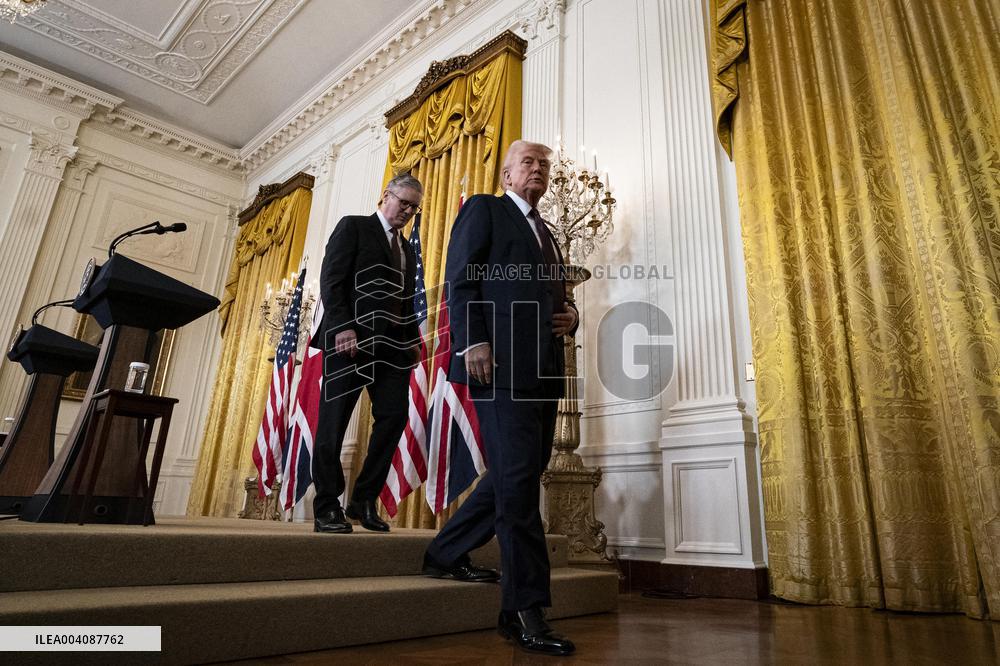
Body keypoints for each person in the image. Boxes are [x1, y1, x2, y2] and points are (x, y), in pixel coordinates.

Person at [422, 141, 578, 656]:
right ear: (507, 175)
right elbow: (461, 278)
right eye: (527, 162)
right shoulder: (485, 209)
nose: (538, 169)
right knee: (517, 487)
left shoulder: (547, 232)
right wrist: (473, 341)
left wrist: (572, 316)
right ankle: (523, 610)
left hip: (543, 370)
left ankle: (444, 552)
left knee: (518, 474)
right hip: (497, 365)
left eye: (544, 164)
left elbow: (559, 297)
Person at [312, 174, 422, 534]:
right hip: (350, 343)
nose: (407, 211)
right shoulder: (354, 227)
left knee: (394, 417)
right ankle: (327, 506)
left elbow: (406, 301)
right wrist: (343, 327)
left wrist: (412, 340)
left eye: (413, 208)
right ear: (386, 195)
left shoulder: (407, 249)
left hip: (392, 350)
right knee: (333, 424)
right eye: (403, 202)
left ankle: (363, 500)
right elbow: (332, 280)